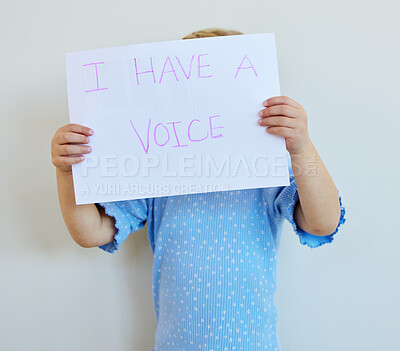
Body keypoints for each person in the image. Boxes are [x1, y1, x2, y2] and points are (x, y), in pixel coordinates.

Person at [51, 28, 346, 351]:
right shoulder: (156, 171)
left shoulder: (265, 169)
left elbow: (323, 221)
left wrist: (301, 146)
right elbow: (91, 233)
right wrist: (67, 171)